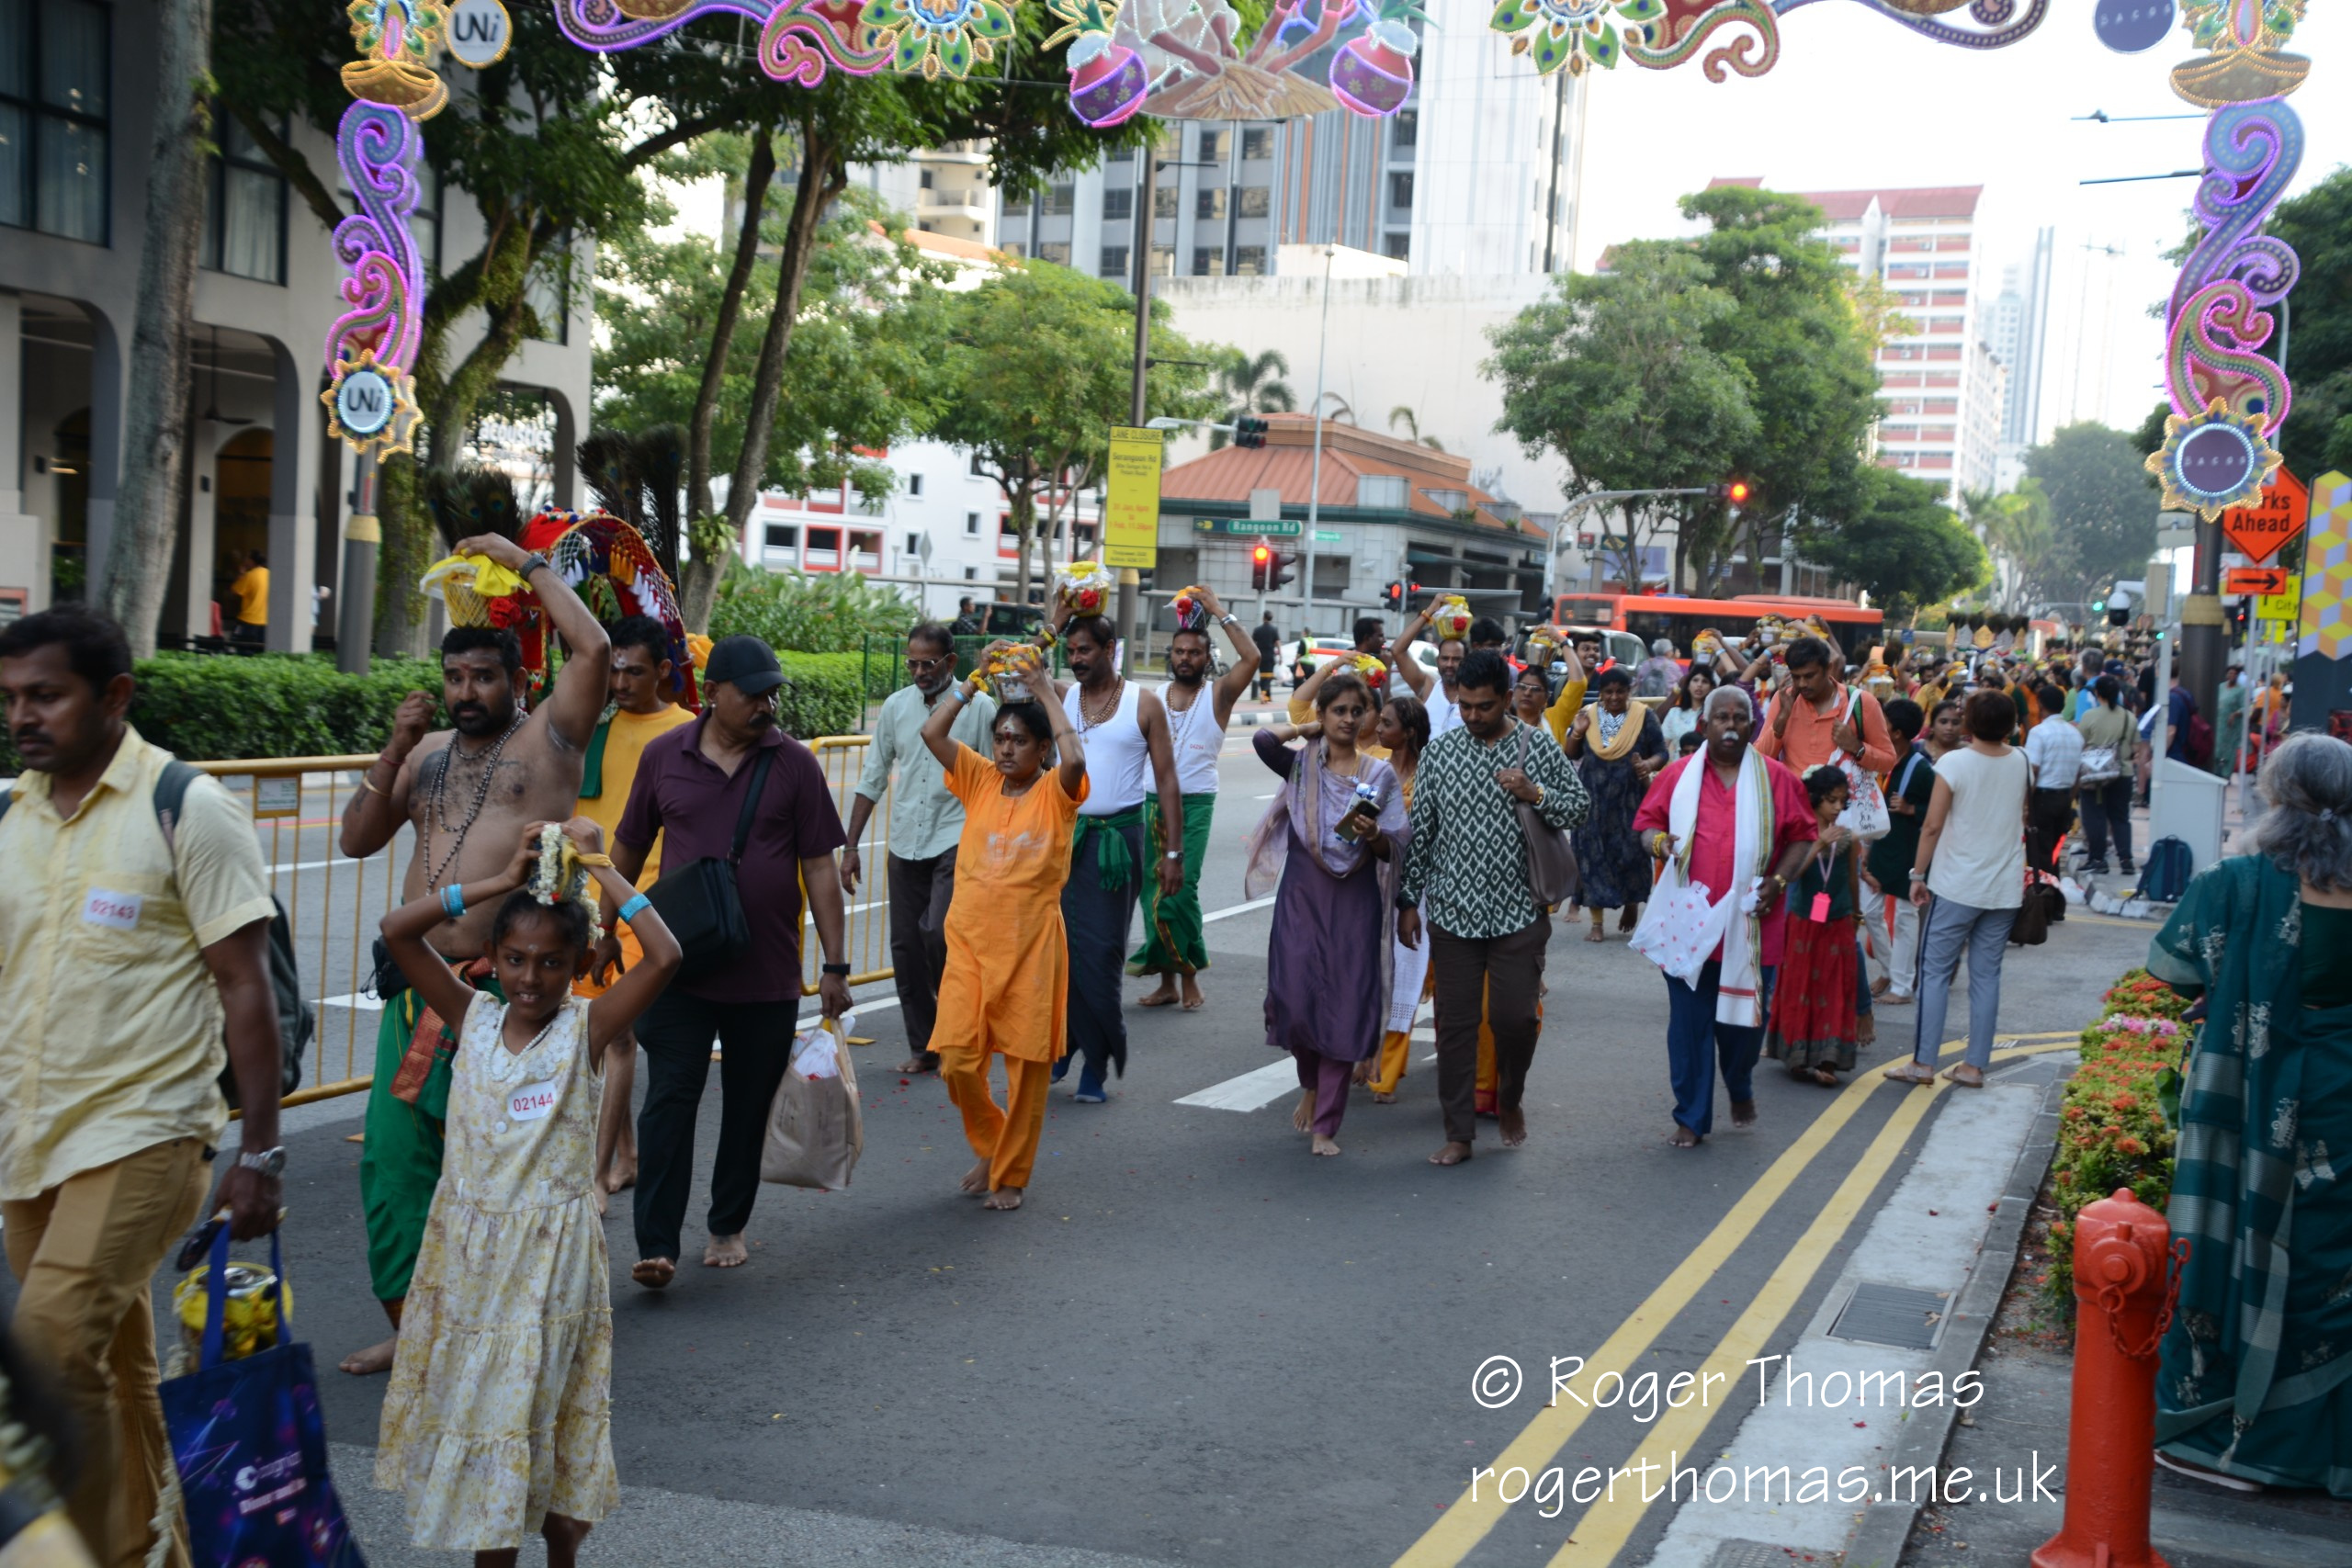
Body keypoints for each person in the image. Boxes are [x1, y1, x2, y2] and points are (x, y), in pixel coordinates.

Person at [0, 606, 284, 1568]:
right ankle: (163, 1549)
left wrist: (261, 1150)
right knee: (116, 1375)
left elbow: (247, 985)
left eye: (45, 694)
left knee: (45, 1352)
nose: (23, 716)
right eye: (10, 699)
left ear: (114, 696)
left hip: (148, 1131)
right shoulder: (15, 814)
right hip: (34, 1141)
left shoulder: (185, 806)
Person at [335, 531, 611, 1376]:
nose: (467, 692)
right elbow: (353, 840)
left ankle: (502, 1334)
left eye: (484, 677)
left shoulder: (550, 743)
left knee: (496, 1174)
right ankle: (419, 1326)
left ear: (518, 681)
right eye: (455, 677)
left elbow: (593, 646)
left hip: (504, 1000)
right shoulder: (423, 757)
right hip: (416, 993)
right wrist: (393, 745)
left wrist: (516, 556)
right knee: (393, 1169)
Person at [374, 818, 680, 1563]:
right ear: (490, 958)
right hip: (472, 1260)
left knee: (540, 1415)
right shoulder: (468, 1013)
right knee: (491, 1421)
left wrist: (601, 865)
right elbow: (397, 929)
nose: (531, 978)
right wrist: (500, 878)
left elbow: (666, 954)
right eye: (514, 959)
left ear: (578, 962)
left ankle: (559, 1549)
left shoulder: (587, 1027)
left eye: (551, 961)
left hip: (550, 1263)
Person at [2145, 732, 2352, 1496]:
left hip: (2246, 1104)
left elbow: (2170, 972)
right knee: (2330, 1266)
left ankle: (2224, 1434)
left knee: (2230, 1245)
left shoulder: (2235, 882)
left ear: (2277, 793)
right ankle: (2319, 1447)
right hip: (2344, 1104)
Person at [612, 634, 851, 1289]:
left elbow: (820, 869)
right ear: (711, 693)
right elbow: (628, 848)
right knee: (668, 1101)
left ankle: (726, 1224)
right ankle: (657, 1243)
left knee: (748, 1106)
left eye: (773, 692)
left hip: (767, 973)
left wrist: (836, 965)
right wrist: (603, 927)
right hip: (679, 970)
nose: (767, 704)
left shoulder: (795, 764)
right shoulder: (665, 756)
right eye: (753, 693)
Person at [1397, 649, 1589, 1164]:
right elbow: (1424, 834)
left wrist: (1536, 792)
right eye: (1464, 707)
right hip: (1454, 913)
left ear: (1507, 699)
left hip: (1519, 911)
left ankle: (1510, 1096)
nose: (1473, 717)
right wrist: (1409, 900)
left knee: (1514, 1021)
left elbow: (1579, 806)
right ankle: (1459, 1132)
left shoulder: (1536, 745)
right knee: (1455, 1027)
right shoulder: (1441, 753)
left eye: (1484, 707)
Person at [921, 649, 1089, 1212]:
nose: (1007, 749)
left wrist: (1043, 690)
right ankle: (993, 1144)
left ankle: (1012, 1175)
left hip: (1032, 949)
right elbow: (932, 731)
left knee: (1027, 1071)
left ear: (1041, 749)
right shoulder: (979, 778)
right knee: (957, 1060)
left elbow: (1075, 756)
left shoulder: (1057, 793)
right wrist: (972, 681)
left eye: (1019, 741)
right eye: (1002, 739)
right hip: (968, 943)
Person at [1633, 686, 1816, 1146]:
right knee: (1689, 1027)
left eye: (1740, 718)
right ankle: (1690, 1118)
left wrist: (1778, 882)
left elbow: (1802, 838)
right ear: (1705, 723)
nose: (1731, 727)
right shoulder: (1677, 776)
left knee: (1742, 1029)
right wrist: (1659, 844)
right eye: (1721, 718)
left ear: (1753, 725)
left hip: (1754, 926)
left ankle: (1740, 1083)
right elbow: (1647, 826)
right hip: (1688, 926)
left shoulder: (1779, 780)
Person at [1245, 671, 1409, 1156]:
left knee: (1343, 1002)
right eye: (1338, 710)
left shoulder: (1378, 776)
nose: (1348, 719)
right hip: (1302, 896)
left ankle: (1326, 1125)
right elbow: (1260, 738)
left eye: (1357, 711)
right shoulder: (1301, 766)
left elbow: (1396, 843)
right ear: (1323, 715)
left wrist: (1374, 833)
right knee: (1295, 998)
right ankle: (1311, 1083)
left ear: (1367, 719)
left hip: (1353, 901)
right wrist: (1303, 731)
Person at [571, 615, 695, 1207]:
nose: (620, 681)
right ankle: (626, 1158)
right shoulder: (590, 731)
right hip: (590, 905)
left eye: (634, 671)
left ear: (665, 672)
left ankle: (596, 1175)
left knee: (616, 1037)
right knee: (597, 1035)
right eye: (613, 669)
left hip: (651, 907)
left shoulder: (687, 732)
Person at [1042, 609, 1184, 1101]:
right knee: (1062, 953)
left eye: (1085, 650)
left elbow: (1167, 780)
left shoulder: (1144, 704)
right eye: (1071, 650)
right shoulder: (1063, 696)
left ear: (1109, 650)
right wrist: (1055, 619)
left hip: (1118, 844)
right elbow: (1023, 666)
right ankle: (1067, 1043)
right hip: (1066, 839)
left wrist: (1173, 852)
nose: (1076, 659)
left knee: (1101, 954)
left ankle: (1097, 1062)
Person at [842, 624, 997, 1074]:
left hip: (957, 836)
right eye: (912, 662)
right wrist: (850, 847)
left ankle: (963, 1023)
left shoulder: (981, 707)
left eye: (928, 663)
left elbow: (994, 779)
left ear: (951, 662)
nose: (919, 671)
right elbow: (872, 778)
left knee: (938, 931)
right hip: (906, 840)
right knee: (906, 947)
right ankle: (924, 1046)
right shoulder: (896, 707)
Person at [1884, 690, 2030, 1090]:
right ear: (2012, 724)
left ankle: (1923, 1063)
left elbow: (1931, 825)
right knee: (1987, 976)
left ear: (1968, 724)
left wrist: (1918, 875)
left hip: (1956, 884)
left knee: (1933, 972)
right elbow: (2020, 813)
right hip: (2003, 887)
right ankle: (1974, 1066)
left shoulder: (1954, 762)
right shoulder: (2021, 760)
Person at [1130, 585, 1260, 1010]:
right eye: (1179, 652)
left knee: (1181, 889)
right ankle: (1167, 982)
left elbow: (1253, 658)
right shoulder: (1151, 698)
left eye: (1194, 653)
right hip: (1149, 803)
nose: (1185, 658)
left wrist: (1219, 610)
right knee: (1154, 891)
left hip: (1195, 804)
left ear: (1208, 658)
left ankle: (1189, 976)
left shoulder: (1218, 695)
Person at [1765, 765, 1864, 1086]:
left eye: (1841, 801)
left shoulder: (1848, 838)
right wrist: (1818, 845)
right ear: (1816, 799)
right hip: (1804, 922)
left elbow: (1851, 879)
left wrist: (1856, 916)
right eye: (1831, 801)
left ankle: (1829, 1059)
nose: (1837, 807)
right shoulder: (1801, 835)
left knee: (1834, 990)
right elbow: (1790, 877)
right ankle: (1797, 1055)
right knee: (1801, 987)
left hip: (1837, 922)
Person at [1562, 666, 1668, 942]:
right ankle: (1596, 923)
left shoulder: (1643, 716)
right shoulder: (1588, 716)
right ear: (1601, 694)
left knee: (1630, 856)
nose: (1614, 697)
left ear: (1629, 691)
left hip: (1630, 801)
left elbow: (1661, 752)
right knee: (1592, 859)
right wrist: (1577, 732)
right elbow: (1570, 753)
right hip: (1593, 802)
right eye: (1608, 692)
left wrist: (1647, 764)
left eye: (1620, 692)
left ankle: (1631, 904)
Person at [1365, 693, 1430, 1105]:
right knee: (1375, 971)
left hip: (1415, 887)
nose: (1377, 729)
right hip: (1371, 881)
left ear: (1407, 732)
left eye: (1386, 723)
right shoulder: (1371, 767)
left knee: (1405, 972)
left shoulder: (1430, 775)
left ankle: (1385, 1071)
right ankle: (1372, 1055)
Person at [1864, 698, 1933, 1005]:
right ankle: (1892, 971)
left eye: (1884, 723)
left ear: (1896, 733)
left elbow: (1940, 811)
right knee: (1869, 911)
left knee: (1906, 916)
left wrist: (1911, 808)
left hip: (1908, 852)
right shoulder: (1883, 759)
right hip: (1882, 849)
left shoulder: (1921, 769)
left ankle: (1902, 988)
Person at [2074, 674, 2138, 877]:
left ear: (2097, 693)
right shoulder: (2130, 717)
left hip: (2095, 776)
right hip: (2123, 773)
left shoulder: (2089, 717)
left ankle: (2098, 858)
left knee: (2095, 817)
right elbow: (2135, 748)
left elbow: (2080, 744)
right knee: (2120, 818)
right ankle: (2126, 859)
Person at [2022, 678, 2083, 878]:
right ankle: (2053, 898)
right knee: (2054, 852)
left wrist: (2025, 805)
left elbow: (2033, 771)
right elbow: (2078, 774)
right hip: (2064, 799)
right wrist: (2070, 798)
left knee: (2039, 853)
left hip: (2042, 799)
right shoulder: (2075, 734)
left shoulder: (2039, 733)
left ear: (2039, 704)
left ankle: (2042, 898)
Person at [1392, 596, 1467, 739]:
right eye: (1445, 658)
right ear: (1437, 660)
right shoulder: (1430, 686)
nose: (1449, 664)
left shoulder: (1473, 694)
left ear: (1466, 661)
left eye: (1456, 659)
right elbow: (1397, 650)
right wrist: (1430, 611)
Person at [1659, 663, 1717, 753]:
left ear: (1711, 688)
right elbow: (1662, 748)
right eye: (1695, 680)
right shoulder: (1674, 713)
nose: (1699, 685)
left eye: (1705, 681)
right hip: (1679, 764)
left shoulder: (1714, 715)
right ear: (1688, 685)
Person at [228, 548, 268, 646]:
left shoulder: (249, 576)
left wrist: (241, 573)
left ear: (251, 561)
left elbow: (235, 590)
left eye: (247, 558)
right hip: (265, 620)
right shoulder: (269, 574)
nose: (244, 560)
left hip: (248, 620)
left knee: (240, 647)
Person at [1632, 637, 1682, 701]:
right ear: (1667, 652)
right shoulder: (1674, 666)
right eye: (1671, 650)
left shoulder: (1645, 664)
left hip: (1646, 702)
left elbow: (1637, 683)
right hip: (1666, 704)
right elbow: (1681, 683)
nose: (1672, 653)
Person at [1251, 612, 1282, 701]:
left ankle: (1268, 697)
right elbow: (1278, 643)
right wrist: (1280, 656)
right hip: (1270, 656)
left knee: (1263, 676)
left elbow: (1252, 643)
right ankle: (1263, 693)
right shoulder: (1274, 629)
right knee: (1268, 677)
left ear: (1263, 618)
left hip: (1260, 656)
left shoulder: (1257, 630)